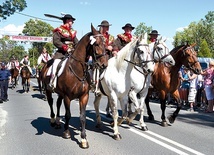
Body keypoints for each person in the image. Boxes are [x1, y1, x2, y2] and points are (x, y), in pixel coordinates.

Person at [48, 14, 78, 91]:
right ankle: (52, 82)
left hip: (72, 53)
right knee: (55, 64)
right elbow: (56, 41)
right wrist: (65, 47)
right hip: (61, 53)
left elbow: (76, 42)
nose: (72, 22)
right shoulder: (59, 30)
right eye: (71, 20)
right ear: (67, 20)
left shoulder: (72, 32)